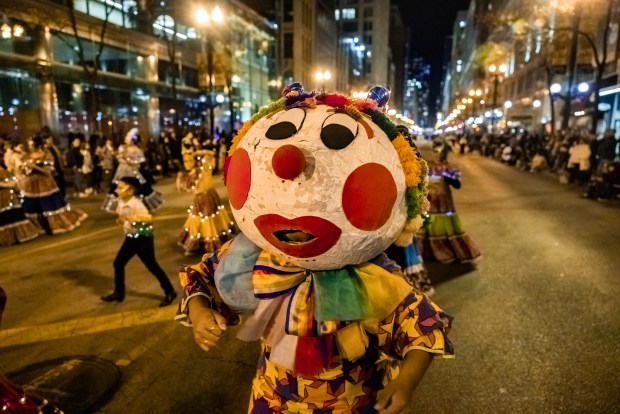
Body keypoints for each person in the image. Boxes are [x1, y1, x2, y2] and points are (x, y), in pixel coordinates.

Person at [176, 85, 453, 412]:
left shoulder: (375, 279)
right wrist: (199, 310)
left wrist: (405, 382)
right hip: (273, 398)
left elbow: (423, 326)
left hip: (353, 403)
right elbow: (202, 277)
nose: (288, 164)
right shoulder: (251, 255)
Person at [101, 176, 177, 306]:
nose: (117, 190)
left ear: (130, 191)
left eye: (120, 188)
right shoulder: (121, 201)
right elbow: (121, 219)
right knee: (118, 264)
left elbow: (146, 226)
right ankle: (119, 293)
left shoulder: (138, 206)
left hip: (142, 239)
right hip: (131, 238)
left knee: (152, 266)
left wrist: (131, 223)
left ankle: (170, 291)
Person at [416, 148, 481, 264]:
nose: (437, 155)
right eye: (435, 151)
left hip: (444, 204)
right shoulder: (426, 166)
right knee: (427, 225)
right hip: (429, 202)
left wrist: (448, 178)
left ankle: (446, 249)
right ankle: (428, 251)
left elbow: (457, 184)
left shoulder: (450, 167)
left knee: (445, 226)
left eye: (440, 152)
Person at [17, 134, 87, 235]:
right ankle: (38, 227)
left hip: (45, 184)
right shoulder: (27, 155)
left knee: (49, 206)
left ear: (37, 144)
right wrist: (23, 169)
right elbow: (23, 170)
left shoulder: (46, 154)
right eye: (29, 144)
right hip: (31, 186)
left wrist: (34, 166)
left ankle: (53, 226)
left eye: (31, 144)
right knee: (32, 207)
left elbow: (48, 172)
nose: (29, 146)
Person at [178, 150, 237, 256]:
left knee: (211, 220)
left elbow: (212, 155)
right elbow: (184, 187)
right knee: (199, 221)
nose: (187, 163)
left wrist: (202, 152)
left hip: (210, 197)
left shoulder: (204, 168)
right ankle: (200, 244)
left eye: (190, 160)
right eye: (185, 161)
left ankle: (213, 243)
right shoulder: (189, 176)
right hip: (200, 200)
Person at [101, 128, 163, 213]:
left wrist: (128, 159)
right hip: (121, 172)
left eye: (128, 137)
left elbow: (141, 160)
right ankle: (123, 207)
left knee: (137, 189)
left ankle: (139, 207)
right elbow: (118, 157)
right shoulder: (122, 147)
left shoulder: (137, 149)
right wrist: (117, 155)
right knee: (119, 188)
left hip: (133, 172)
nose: (126, 138)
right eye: (126, 136)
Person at [0, 165, 41, 245]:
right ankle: (13, 237)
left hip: (9, 195)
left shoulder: (4, 171)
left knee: (14, 214)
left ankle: (19, 235)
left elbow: (13, 182)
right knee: (6, 216)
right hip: (5, 196)